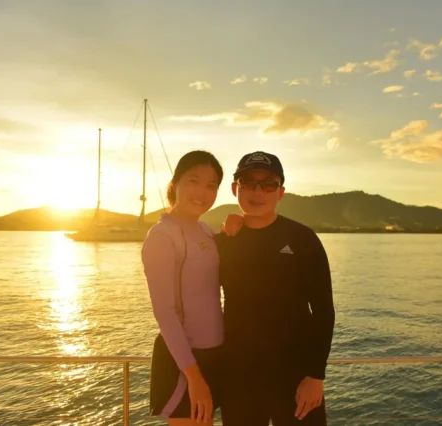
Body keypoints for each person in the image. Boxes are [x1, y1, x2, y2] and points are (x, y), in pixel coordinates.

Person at [214, 151, 335, 426]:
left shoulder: (303, 239)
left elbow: (324, 312)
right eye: (248, 182)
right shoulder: (222, 242)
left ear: (280, 192)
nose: (258, 191)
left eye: (268, 184)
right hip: (240, 375)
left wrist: (316, 376)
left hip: (296, 376)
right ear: (235, 189)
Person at [141, 150, 243, 426]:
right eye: (194, 181)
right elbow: (164, 313)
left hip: (213, 355)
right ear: (175, 184)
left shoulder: (204, 230)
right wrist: (193, 377)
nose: (202, 191)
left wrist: (235, 225)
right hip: (185, 362)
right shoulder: (162, 236)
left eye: (211, 185)